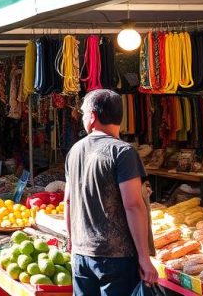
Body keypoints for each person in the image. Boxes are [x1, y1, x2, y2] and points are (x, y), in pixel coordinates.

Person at [65, 89, 157, 296]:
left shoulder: (75, 150)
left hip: (82, 255)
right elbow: (133, 205)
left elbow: (68, 202)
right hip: (117, 258)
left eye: (83, 114)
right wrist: (144, 257)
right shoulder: (123, 152)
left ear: (93, 117)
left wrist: (72, 243)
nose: (82, 118)